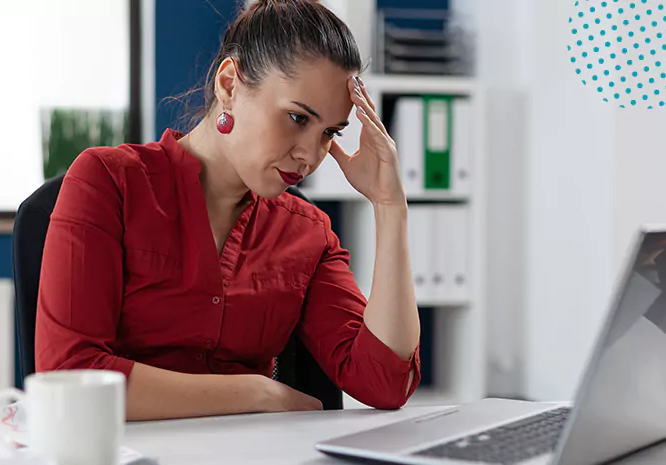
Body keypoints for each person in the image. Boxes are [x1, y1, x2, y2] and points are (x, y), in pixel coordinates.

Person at [35, 0, 421, 421]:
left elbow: (385, 383)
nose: (311, 155)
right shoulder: (109, 182)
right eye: (296, 118)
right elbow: (69, 375)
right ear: (229, 85)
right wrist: (258, 393)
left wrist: (389, 207)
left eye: (329, 132)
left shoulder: (308, 234)